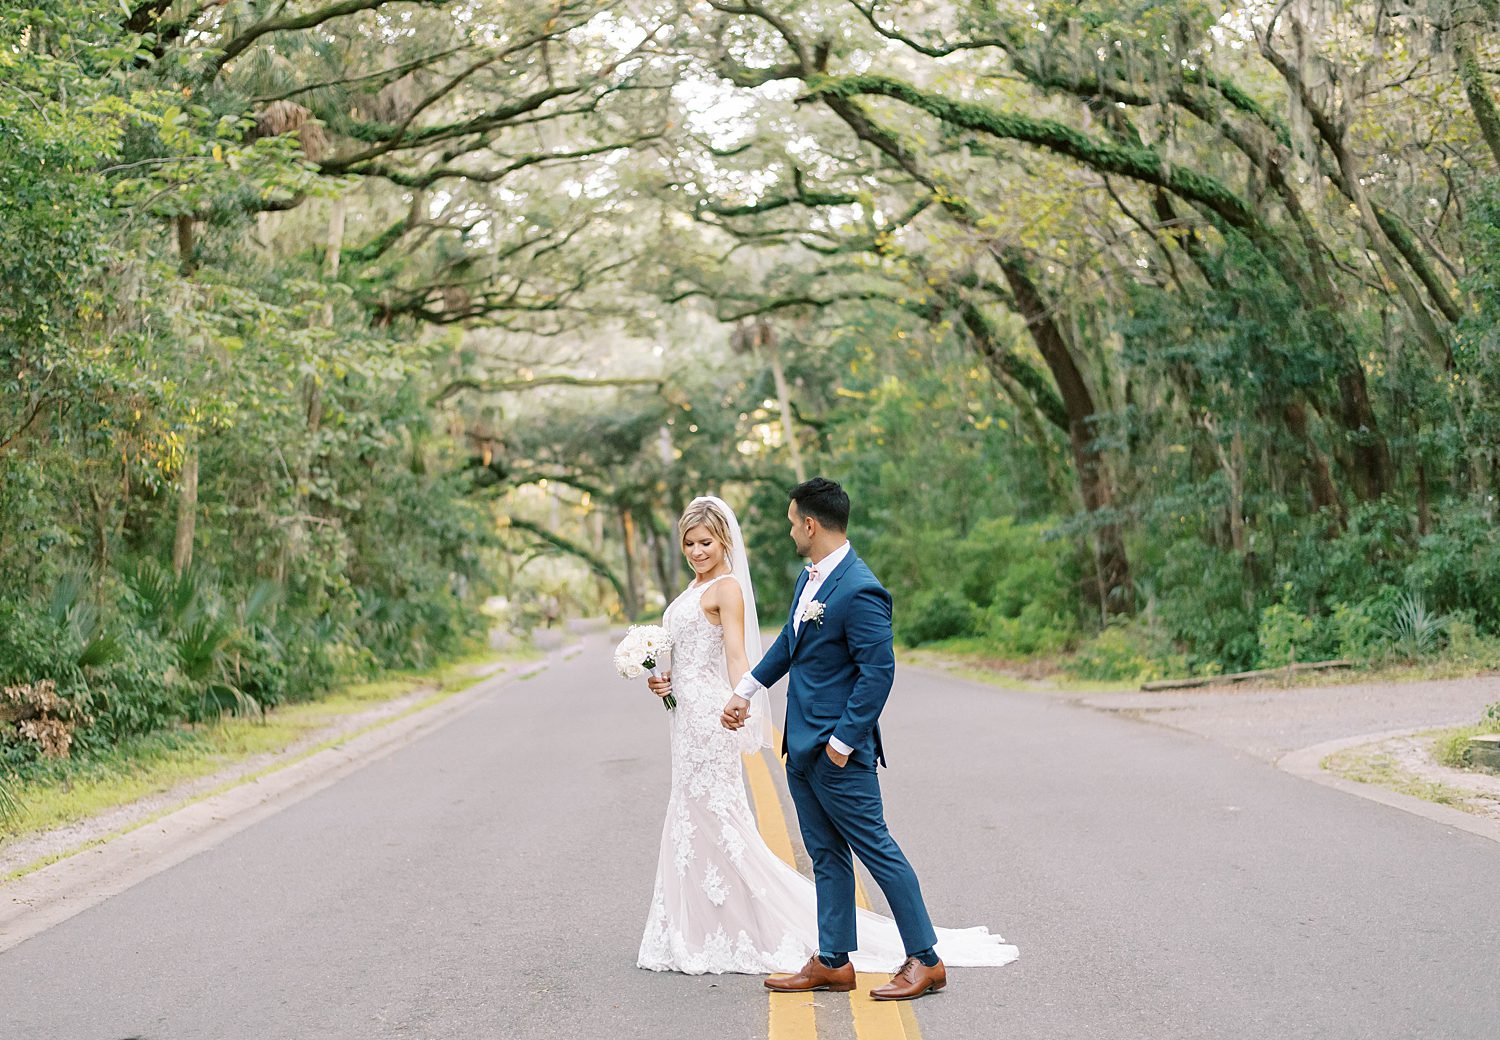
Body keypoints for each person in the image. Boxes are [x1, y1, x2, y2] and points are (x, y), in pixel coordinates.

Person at [637, 491, 1017, 991]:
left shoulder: (860, 589)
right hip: (801, 746)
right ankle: (833, 960)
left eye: (793, 522)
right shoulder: (809, 579)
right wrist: (746, 691)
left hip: (839, 751)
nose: (789, 531)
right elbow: (788, 647)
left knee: (876, 849)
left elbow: (877, 674)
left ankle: (926, 958)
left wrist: (843, 741)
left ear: (811, 525)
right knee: (826, 854)